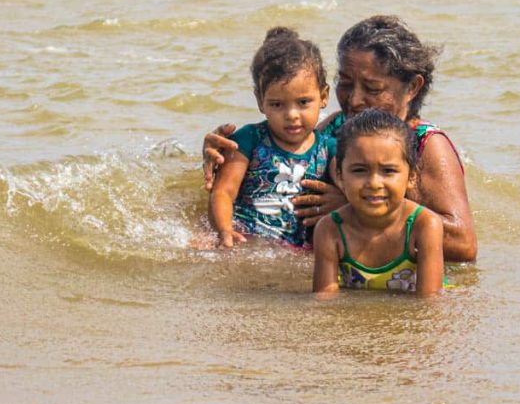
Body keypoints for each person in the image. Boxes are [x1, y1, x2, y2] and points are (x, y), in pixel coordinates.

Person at [204, 15, 478, 262]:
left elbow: (464, 244)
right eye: (345, 84)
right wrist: (221, 157)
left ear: (412, 88)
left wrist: (356, 211)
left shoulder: (428, 145)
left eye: (372, 88)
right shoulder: (337, 125)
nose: (354, 100)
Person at [208, 27, 335, 248]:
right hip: (247, 242)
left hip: (298, 251)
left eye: (303, 102)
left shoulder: (331, 148)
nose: (292, 115)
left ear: (323, 97)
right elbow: (223, 192)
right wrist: (224, 231)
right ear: (260, 101)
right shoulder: (249, 139)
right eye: (277, 105)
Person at [313, 109, 444, 296]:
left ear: (412, 177)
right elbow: (324, 299)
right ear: (340, 177)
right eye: (359, 170)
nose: (374, 183)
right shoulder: (330, 229)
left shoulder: (423, 225)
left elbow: (429, 304)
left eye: (388, 171)